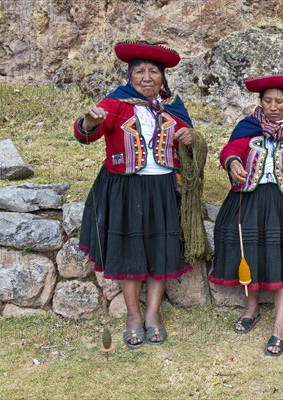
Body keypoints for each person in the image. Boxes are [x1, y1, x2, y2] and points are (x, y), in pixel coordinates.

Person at [74, 41, 196, 349]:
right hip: (125, 187)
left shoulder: (173, 105)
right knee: (129, 251)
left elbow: (192, 139)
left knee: (161, 248)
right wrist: (89, 121)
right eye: (139, 71)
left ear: (162, 77)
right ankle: (132, 316)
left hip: (164, 187)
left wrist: (190, 137)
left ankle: (153, 315)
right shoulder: (117, 102)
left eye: (153, 71)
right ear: (130, 76)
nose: (146, 77)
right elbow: (86, 133)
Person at [209, 74, 283, 357]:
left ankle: (280, 324)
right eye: (267, 101)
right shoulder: (247, 127)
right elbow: (231, 149)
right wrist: (233, 162)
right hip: (248, 199)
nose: (273, 106)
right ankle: (251, 308)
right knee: (246, 253)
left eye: (279, 101)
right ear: (260, 102)